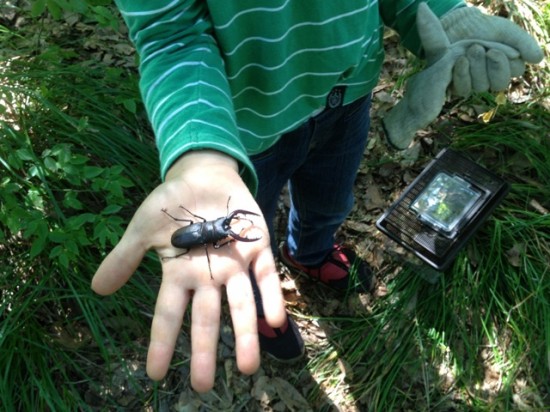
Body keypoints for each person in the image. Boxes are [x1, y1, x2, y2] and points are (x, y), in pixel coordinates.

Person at [91, 0, 543, 393]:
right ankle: (265, 305)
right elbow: (172, 36)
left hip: (348, 96)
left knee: (330, 198)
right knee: (249, 241)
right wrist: (201, 158)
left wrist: (440, 13)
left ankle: (310, 252)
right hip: (245, 128)